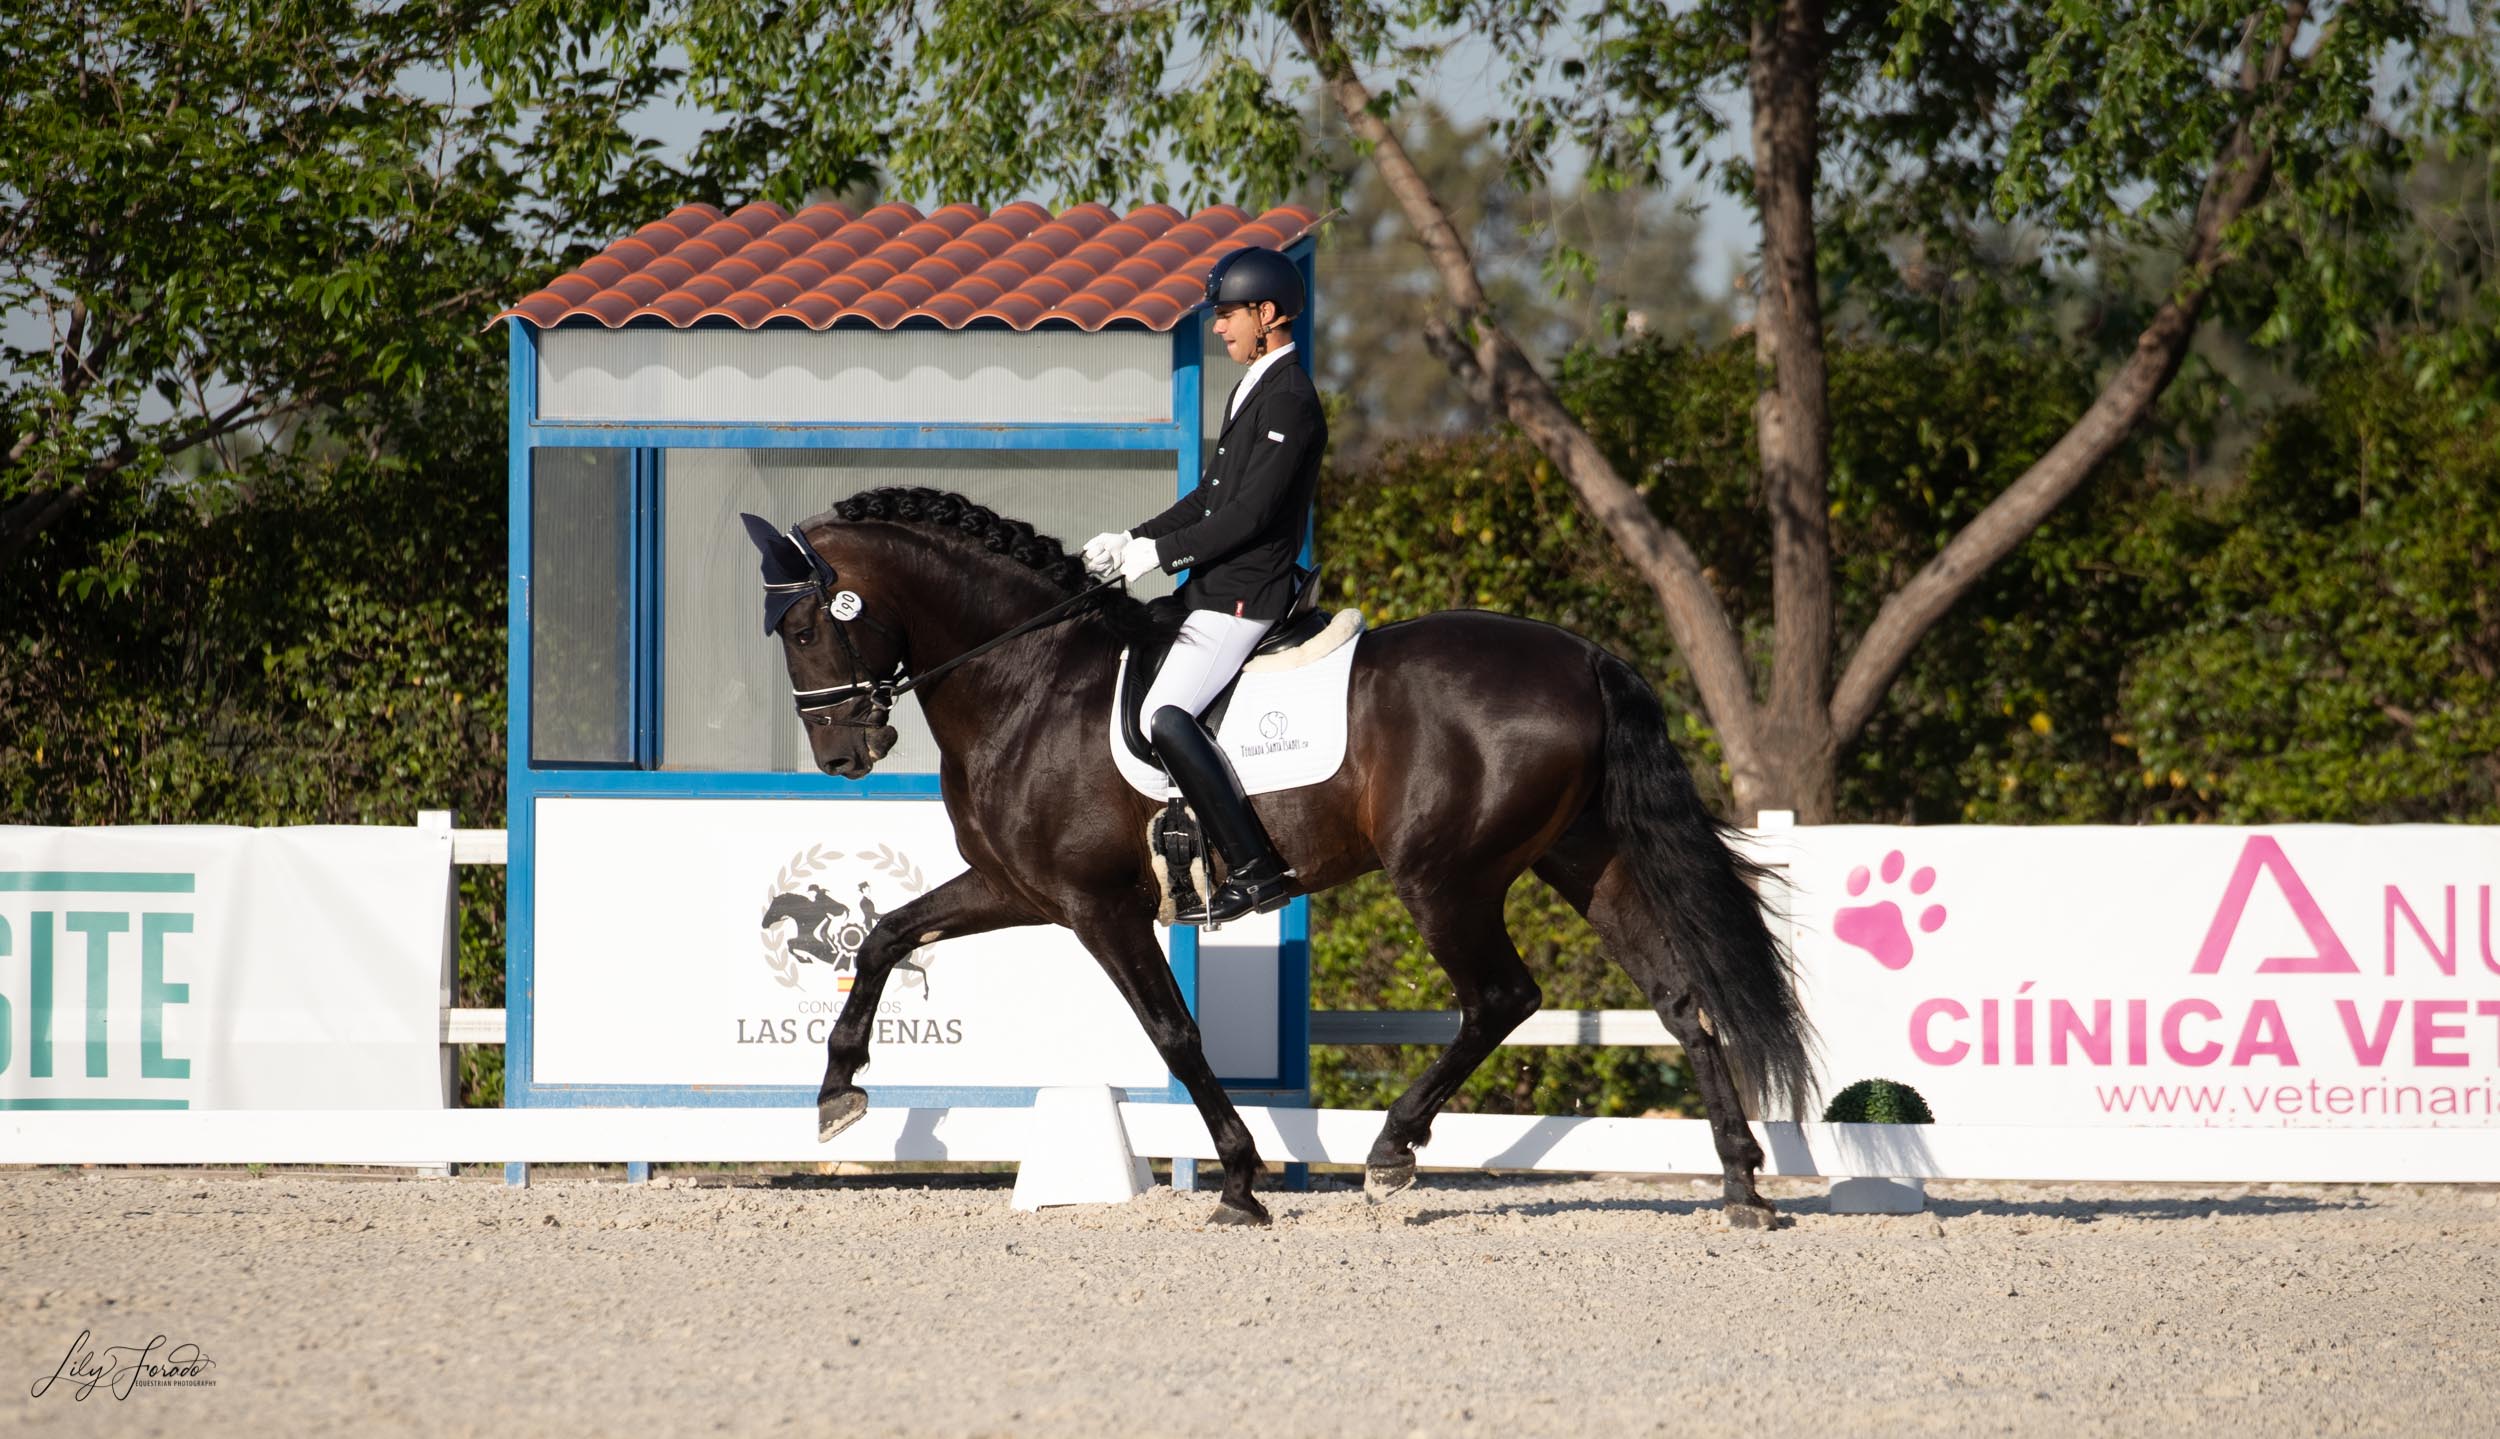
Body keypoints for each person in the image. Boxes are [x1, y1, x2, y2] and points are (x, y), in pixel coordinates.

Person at [1083, 245, 1325, 925]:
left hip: (1246, 595)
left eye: (1228, 315)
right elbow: (1209, 496)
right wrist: (1133, 540)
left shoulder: (1292, 399)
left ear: (1268, 315)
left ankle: (1254, 866)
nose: (1218, 328)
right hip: (1211, 588)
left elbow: (1248, 517)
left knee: (1166, 714)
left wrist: (1159, 554)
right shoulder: (1254, 386)